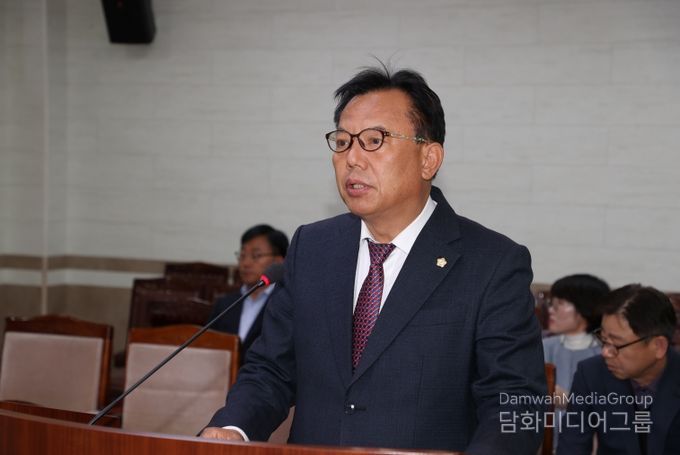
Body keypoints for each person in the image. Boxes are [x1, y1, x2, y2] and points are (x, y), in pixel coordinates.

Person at [201, 63, 546, 454]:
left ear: (429, 159)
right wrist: (233, 428)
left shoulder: (492, 264)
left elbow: (514, 405)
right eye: (343, 141)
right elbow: (271, 369)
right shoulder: (313, 247)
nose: (352, 158)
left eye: (374, 140)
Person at [556, 284, 680, 455]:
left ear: (658, 346)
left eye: (617, 344)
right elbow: (572, 446)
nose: (606, 352)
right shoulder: (591, 374)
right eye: (604, 340)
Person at [542, 274, 610, 449]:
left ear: (584, 308)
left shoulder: (606, 354)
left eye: (559, 304)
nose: (551, 310)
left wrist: (571, 401)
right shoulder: (542, 347)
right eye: (551, 303)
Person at [207, 224, 288, 363]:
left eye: (256, 256)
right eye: (242, 255)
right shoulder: (225, 304)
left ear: (279, 261)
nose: (246, 263)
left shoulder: (287, 305)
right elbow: (208, 347)